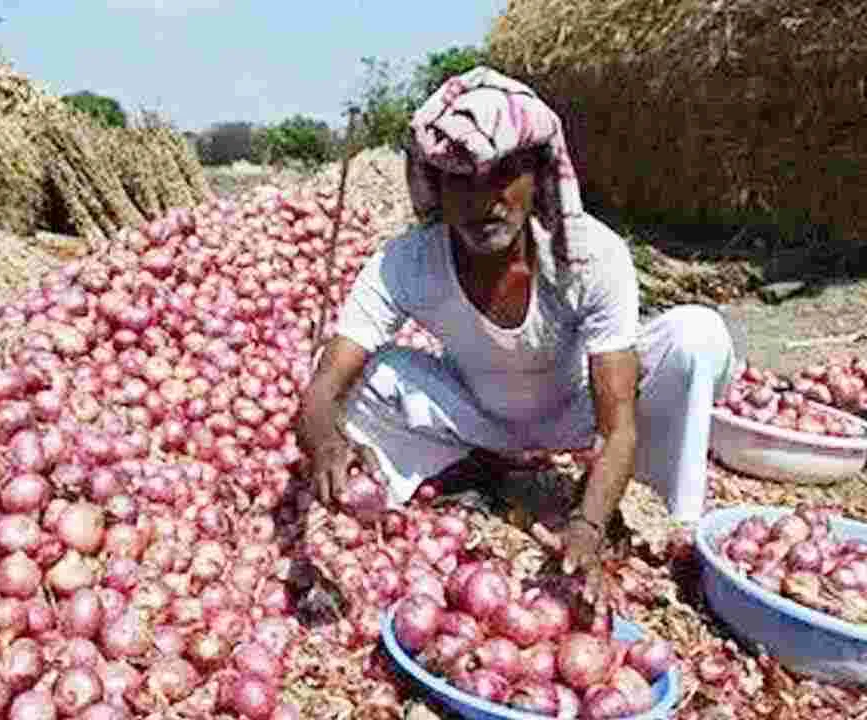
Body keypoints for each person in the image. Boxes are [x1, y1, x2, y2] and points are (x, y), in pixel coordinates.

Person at [296, 66, 735, 597]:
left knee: (696, 336)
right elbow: (324, 386)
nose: (485, 202)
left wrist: (587, 524)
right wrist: (323, 440)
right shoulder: (405, 263)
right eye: (461, 180)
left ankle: (679, 526)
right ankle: (473, 474)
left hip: (580, 412)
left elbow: (616, 425)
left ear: (538, 175)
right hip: (478, 417)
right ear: (434, 185)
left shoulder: (590, 256)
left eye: (504, 174)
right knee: (369, 377)